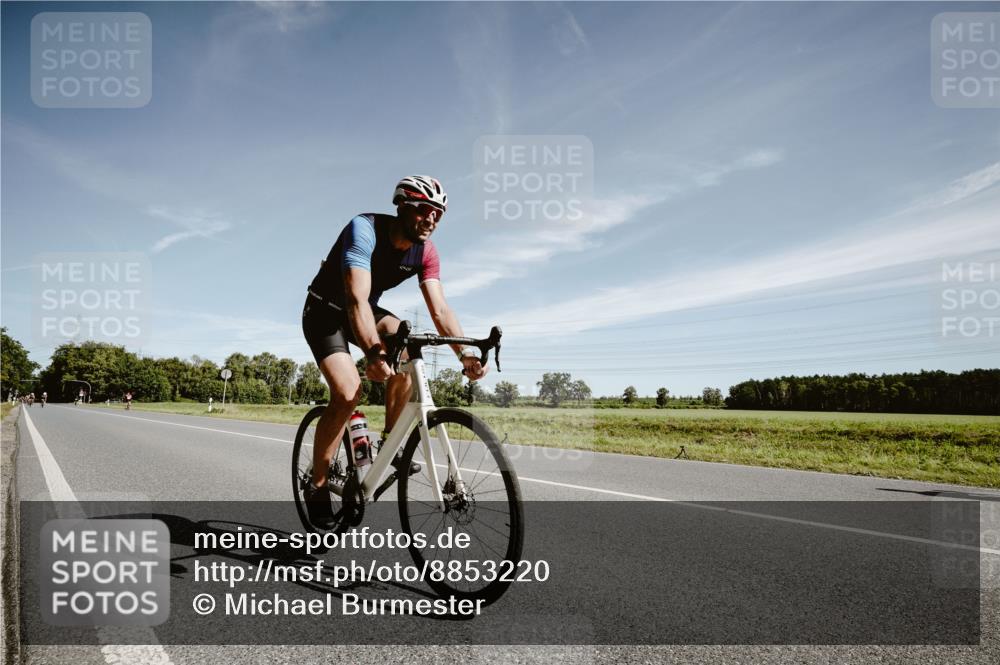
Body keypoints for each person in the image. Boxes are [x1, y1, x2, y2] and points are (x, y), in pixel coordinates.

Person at [302, 175, 487, 528]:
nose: (431, 219)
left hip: (365, 311)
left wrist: (464, 354)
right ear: (401, 206)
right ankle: (318, 484)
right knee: (347, 393)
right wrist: (373, 353)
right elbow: (355, 297)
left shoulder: (426, 252)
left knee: (407, 346)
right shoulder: (365, 229)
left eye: (438, 213)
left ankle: (391, 445)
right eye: (423, 209)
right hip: (326, 312)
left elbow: (440, 311)